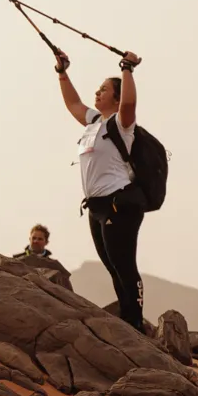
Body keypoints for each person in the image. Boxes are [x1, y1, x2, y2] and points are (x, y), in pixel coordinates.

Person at [55, 47, 146, 332]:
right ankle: (127, 318)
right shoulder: (94, 122)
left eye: (104, 89)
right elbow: (73, 104)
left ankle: (134, 322)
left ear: (116, 99)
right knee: (111, 264)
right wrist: (62, 72)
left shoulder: (121, 124)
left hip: (119, 204)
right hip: (96, 207)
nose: (97, 92)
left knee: (124, 264)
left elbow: (129, 102)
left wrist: (126, 69)